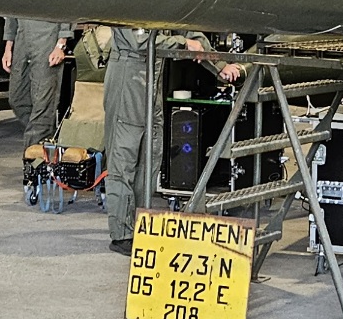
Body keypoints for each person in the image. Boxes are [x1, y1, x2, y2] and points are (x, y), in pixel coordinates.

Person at [97, 27, 238, 254]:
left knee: (151, 156)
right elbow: (139, 41)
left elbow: (189, 33)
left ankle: (140, 224)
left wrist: (219, 66)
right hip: (129, 76)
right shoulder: (129, 6)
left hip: (154, 76)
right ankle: (122, 234)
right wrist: (182, 43)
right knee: (124, 157)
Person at [1, 16, 74, 142]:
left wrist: (61, 45)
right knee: (17, 99)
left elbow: (66, 10)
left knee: (43, 102)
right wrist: (8, 48)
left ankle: (35, 147)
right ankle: (45, 137)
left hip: (48, 38)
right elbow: (11, 12)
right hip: (21, 39)